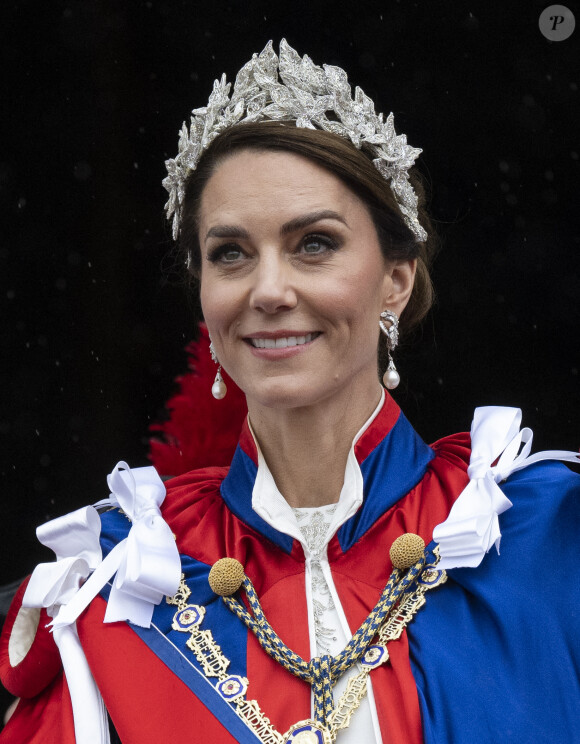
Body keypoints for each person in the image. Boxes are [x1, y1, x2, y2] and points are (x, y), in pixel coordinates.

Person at [1, 40, 579, 744]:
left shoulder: (542, 537)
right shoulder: (118, 586)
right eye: (231, 253)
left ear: (396, 278)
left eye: (314, 244)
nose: (269, 291)